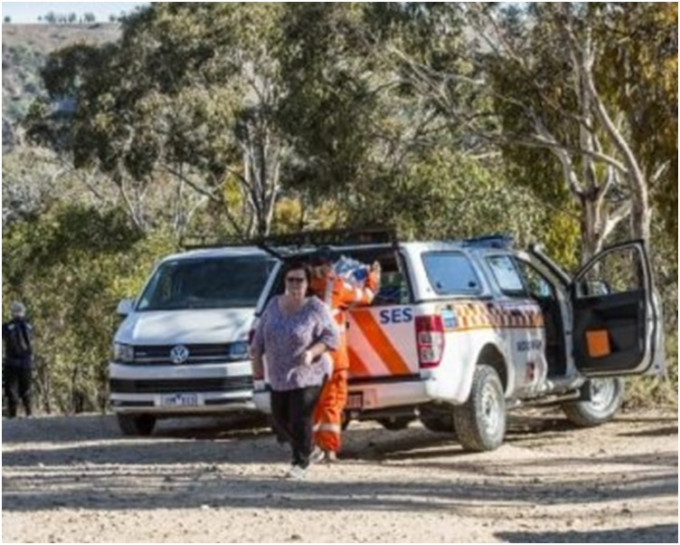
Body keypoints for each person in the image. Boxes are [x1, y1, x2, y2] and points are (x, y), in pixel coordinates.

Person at [250, 261, 338, 480]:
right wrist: (256, 363)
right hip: (279, 374)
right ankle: (309, 447)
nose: (295, 284)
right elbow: (259, 338)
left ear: (308, 283)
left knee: (300, 416)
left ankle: (300, 463)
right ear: (285, 281)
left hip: (311, 372)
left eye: (300, 280)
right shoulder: (273, 305)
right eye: (291, 279)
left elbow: (331, 337)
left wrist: (312, 352)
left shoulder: (316, 307)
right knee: (280, 419)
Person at [309, 248, 381, 462]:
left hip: (308, 358)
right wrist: (373, 279)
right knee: (332, 402)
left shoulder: (301, 286)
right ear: (330, 266)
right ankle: (329, 450)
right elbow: (366, 297)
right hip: (333, 358)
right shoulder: (337, 286)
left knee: (313, 404)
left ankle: (314, 446)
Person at [2, 301, 34, 418]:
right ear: (23, 312)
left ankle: (12, 414)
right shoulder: (29, 326)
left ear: (12, 312)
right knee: (26, 388)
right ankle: (29, 413)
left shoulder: (6, 326)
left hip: (11, 362)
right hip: (26, 363)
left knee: (11, 390)